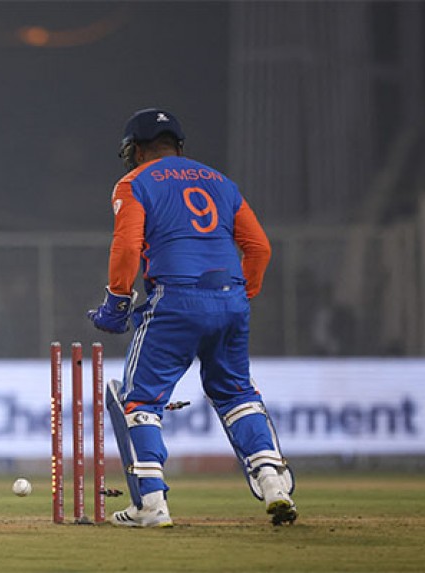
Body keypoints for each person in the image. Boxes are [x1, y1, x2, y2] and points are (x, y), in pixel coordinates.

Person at [88, 108, 297, 527]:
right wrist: (241, 294)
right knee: (237, 392)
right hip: (230, 299)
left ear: (137, 150)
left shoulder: (134, 182)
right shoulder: (220, 181)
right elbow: (259, 248)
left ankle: (151, 504)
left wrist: (117, 303)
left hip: (175, 301)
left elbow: (127, 247)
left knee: (140, 399)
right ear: (177, 146)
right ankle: (273, 480)